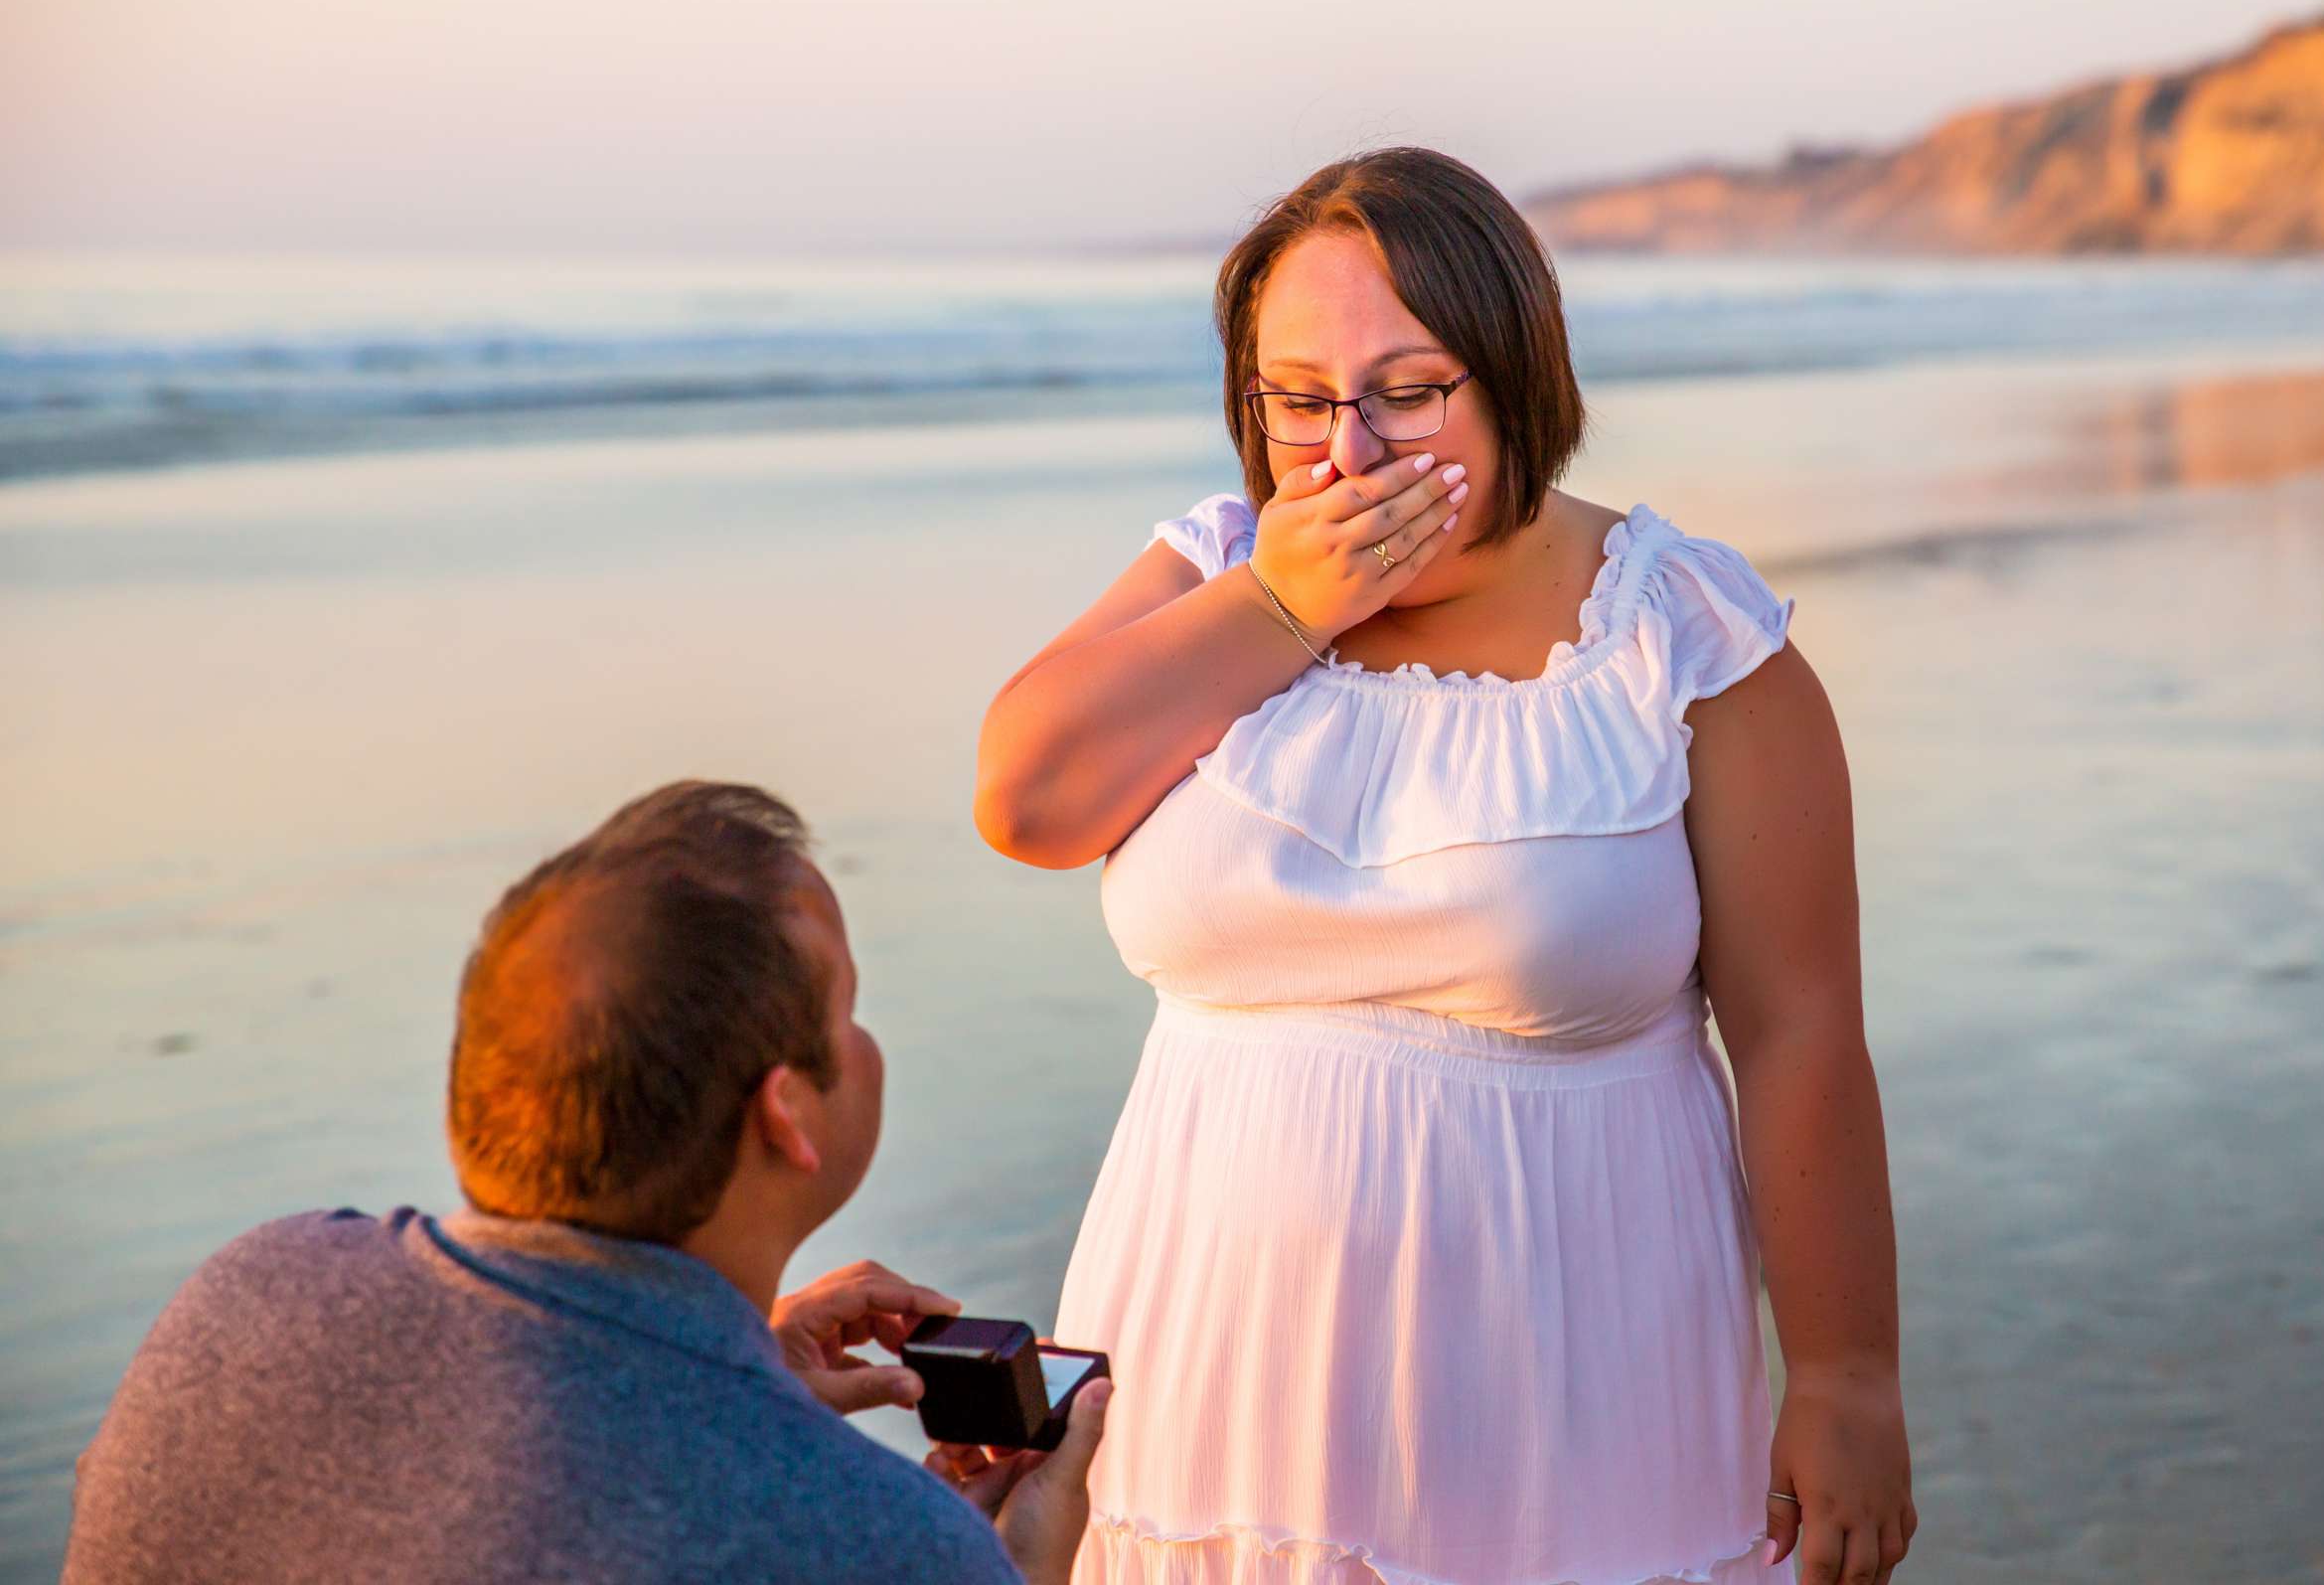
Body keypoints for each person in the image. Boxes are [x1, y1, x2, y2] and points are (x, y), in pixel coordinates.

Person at [976, 148, 1915, 1585]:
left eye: (1408, 393)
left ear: (1518, 376)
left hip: (1571, 1398)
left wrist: (1848, 1378)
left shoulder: (1682, 633)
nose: (1347, 452)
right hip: (1204, 1375)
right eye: (1297, 401)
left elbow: (1800, 1037)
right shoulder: (1217, 571)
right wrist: (1279, 609)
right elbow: (1025, 799)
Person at [64, 780, 1112, 1585]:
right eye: (850, 1006)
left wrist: (734, 1386)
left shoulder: (245, 1296)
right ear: (787, 1114)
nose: (868, 1036)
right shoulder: (875, 1540)